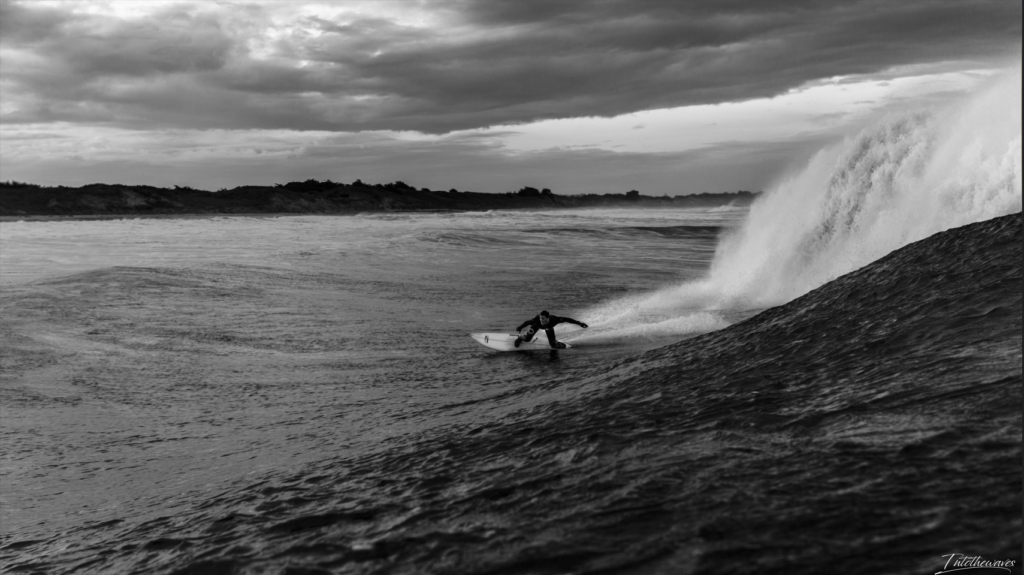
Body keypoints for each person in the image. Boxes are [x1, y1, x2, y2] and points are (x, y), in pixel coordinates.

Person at [515, 310, 588, 349]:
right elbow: (527, 322)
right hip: (536, 326)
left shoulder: (554, 320)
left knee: (553, 345)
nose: (541, 320)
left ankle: (558, 343)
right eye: (540, 318)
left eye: (543, 318)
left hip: (549, 327)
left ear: (548, 318)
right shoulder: (537, 321)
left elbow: (567, 319)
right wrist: (520, 327)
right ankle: (520, 338)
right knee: (527, 339)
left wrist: (579, 323)